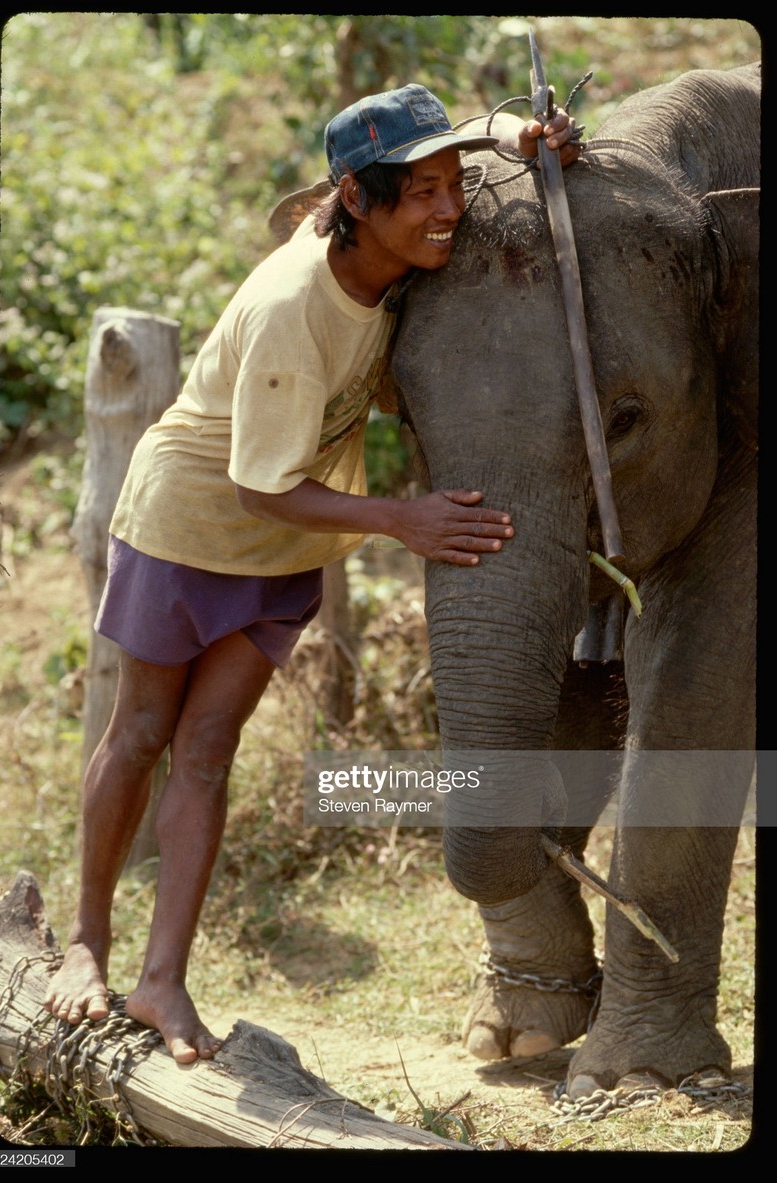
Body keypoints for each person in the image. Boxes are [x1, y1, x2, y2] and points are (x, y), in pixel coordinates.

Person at [44, 83, 577, 1063]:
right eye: (419, 192)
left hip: (284, 548)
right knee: (141, 735)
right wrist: (399, 521)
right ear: (355, 199)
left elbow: (472, 134)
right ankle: (85, 944)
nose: (447, 209)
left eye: (450, 186)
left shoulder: (391, 265)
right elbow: (257, 484)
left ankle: (161, 980)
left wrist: (516, 131)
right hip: (187, 529)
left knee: (205, 754)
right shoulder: (298, 302)